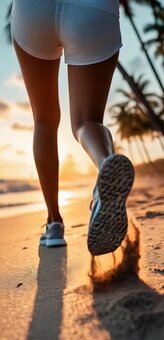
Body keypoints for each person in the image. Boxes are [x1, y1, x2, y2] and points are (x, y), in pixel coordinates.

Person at [10, 0, 135, 256]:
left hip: (33, 10)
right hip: (92, 8)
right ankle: (105, 164)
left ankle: (54, 223)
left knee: (44, 120)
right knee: (86, 120)